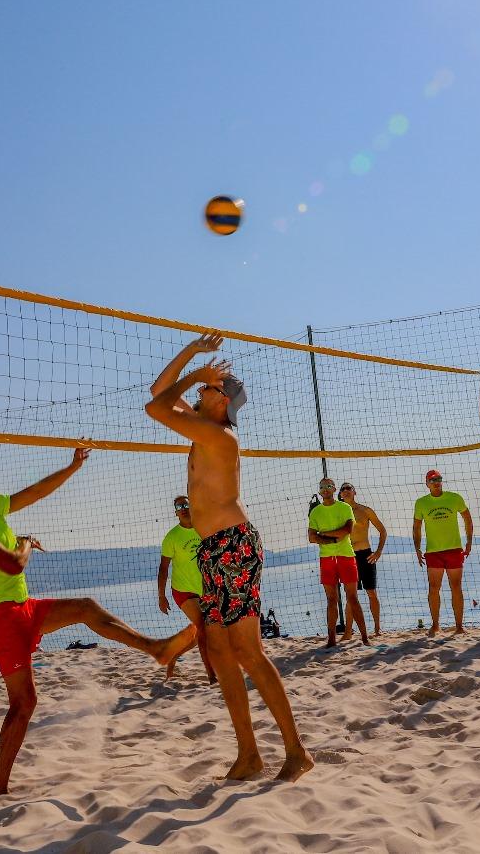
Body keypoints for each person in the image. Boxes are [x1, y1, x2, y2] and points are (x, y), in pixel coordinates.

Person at [0, 452, 195, 798]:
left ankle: (156, 649)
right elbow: (13, 565)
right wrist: (25, 541)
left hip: (23, 607)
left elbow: (36, 491)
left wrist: (72, 468)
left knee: (86, 608)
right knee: (23, 703)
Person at [147, 332, 312, 782]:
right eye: (202, 387)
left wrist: (195, 372)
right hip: (213, 548)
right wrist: (192, 357)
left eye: (209, 388)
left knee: (248, 651)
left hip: (234, 545)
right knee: (219, 651)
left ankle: (296, 751)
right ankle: (249, 754)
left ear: (222, 403)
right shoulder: (203, 426)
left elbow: (156, 408)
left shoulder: (219, 435)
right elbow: (157, 394)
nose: (201, 390)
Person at [158, 495, 214, 682]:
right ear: (175, 512)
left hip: (205, 589)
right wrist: (161, 596)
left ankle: (173, 655)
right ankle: (212, 676)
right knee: (204, 630)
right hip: (182, 591)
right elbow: (163, 568)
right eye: (179, 506)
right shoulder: (172, 537)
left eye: (186, 504)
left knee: (204, 632)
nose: (183, 508)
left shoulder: (204, 529)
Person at [307, 477, 369, 648]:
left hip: (346, 556)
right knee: (331, 600)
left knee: (353, 598)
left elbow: (347, 530)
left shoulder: (344, 507)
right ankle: (331, 639)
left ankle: (365, 637)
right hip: (326, 559)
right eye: (322, 487)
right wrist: (332, 539)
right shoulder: (316, 512)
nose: (325, 489)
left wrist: (324, 535)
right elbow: (312, 537)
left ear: (334, 489)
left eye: (329, 486)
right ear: (319, 491)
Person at [413, 469, 473, 635]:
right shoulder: (421, 503)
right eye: (432, 480)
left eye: (438, 479)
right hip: (433, 551)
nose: (436, 482)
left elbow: (467, 517)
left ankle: (459, 626)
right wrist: (417, 548)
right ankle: (435, 625)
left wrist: (469, 541)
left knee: (456, 587)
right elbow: (416, 527)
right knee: (434, 588)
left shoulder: (454, 498)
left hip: (454, 549)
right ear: (427, 484)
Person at [341, 482, 388, 637]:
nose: (346, 491)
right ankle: (348, 632)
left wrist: (379, 551)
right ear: (340, 494)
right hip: (348, 556)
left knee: (371, 592)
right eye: (343, 489)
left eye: (349, 488)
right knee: (350, 596)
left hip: (365, 555)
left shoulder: (364, 510)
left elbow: (382, 531)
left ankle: (377, 628)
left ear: (355, 492)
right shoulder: (339, 512)